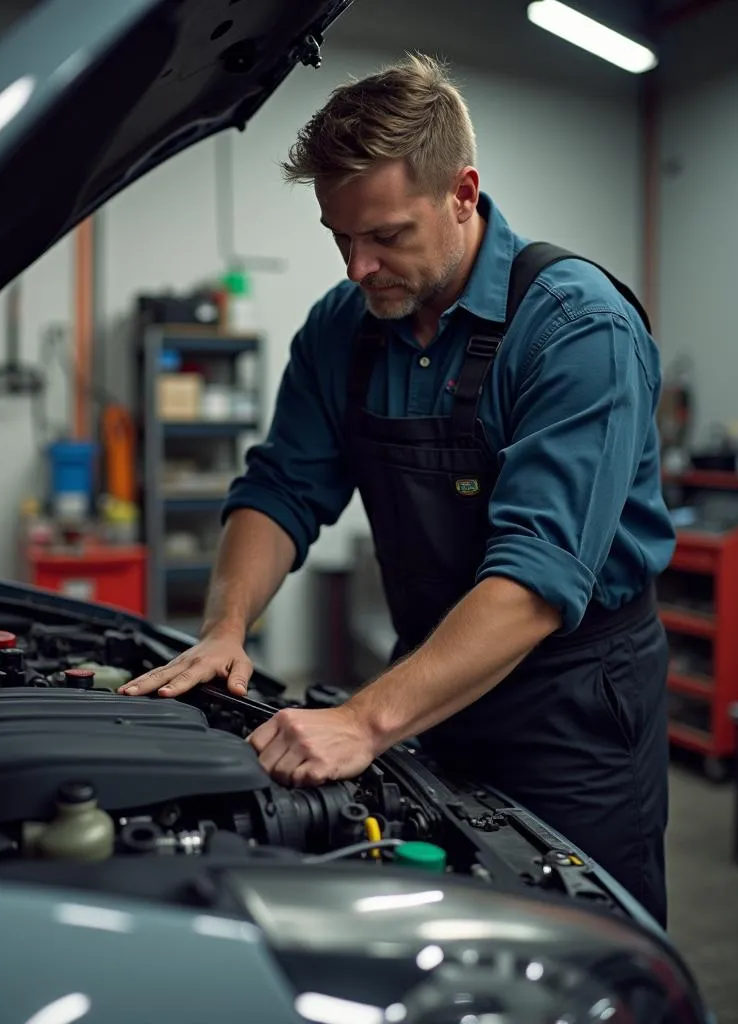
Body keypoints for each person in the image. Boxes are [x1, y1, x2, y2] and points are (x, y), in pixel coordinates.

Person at [122, 53, 676, 927]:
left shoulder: (577, 328)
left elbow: (537, 578)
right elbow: (280, 489)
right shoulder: (344, 328)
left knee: (585, 939)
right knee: (449, 927)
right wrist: (225, 630)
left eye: (385, 236)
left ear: (462, 192)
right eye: (339, 237)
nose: (356, 267)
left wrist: (366, 722)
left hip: (572, 704)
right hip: (433, 676)